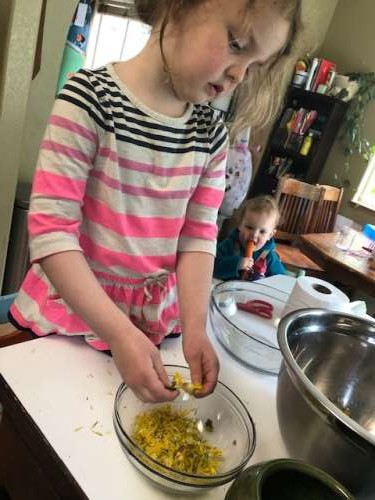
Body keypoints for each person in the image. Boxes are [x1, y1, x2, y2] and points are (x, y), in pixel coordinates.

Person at [10, 0, 301, 403]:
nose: (239, 75)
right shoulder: (88, 101)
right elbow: (52, 234)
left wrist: (196, 328)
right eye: (236, 44)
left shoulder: (211, 137)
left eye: (255, 65)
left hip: (153, 324)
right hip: (75, 317)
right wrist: (118, 332)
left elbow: (198, 238)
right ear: (177, 7)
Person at [214, 196, 287, 280]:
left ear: (270, 235)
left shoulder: (269, 257)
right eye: (249, 227)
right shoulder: (229, 245)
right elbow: (211, 267)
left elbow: (281, 280)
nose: (254, 235)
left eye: (262, 231)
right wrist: (236, 264)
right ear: (239, 225)